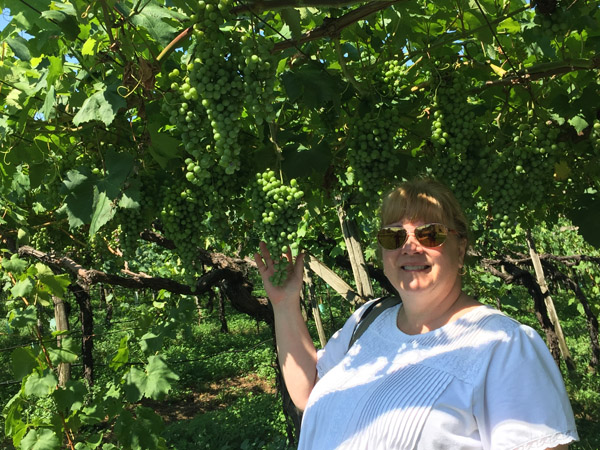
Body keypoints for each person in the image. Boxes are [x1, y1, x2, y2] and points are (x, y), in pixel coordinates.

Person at [254, 178, 579, 449]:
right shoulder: (368, 320)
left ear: (460, 247)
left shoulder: (503, 346)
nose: (410, 246)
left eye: (430, 233)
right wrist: (284, 303)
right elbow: (306, 394)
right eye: (393, 235)